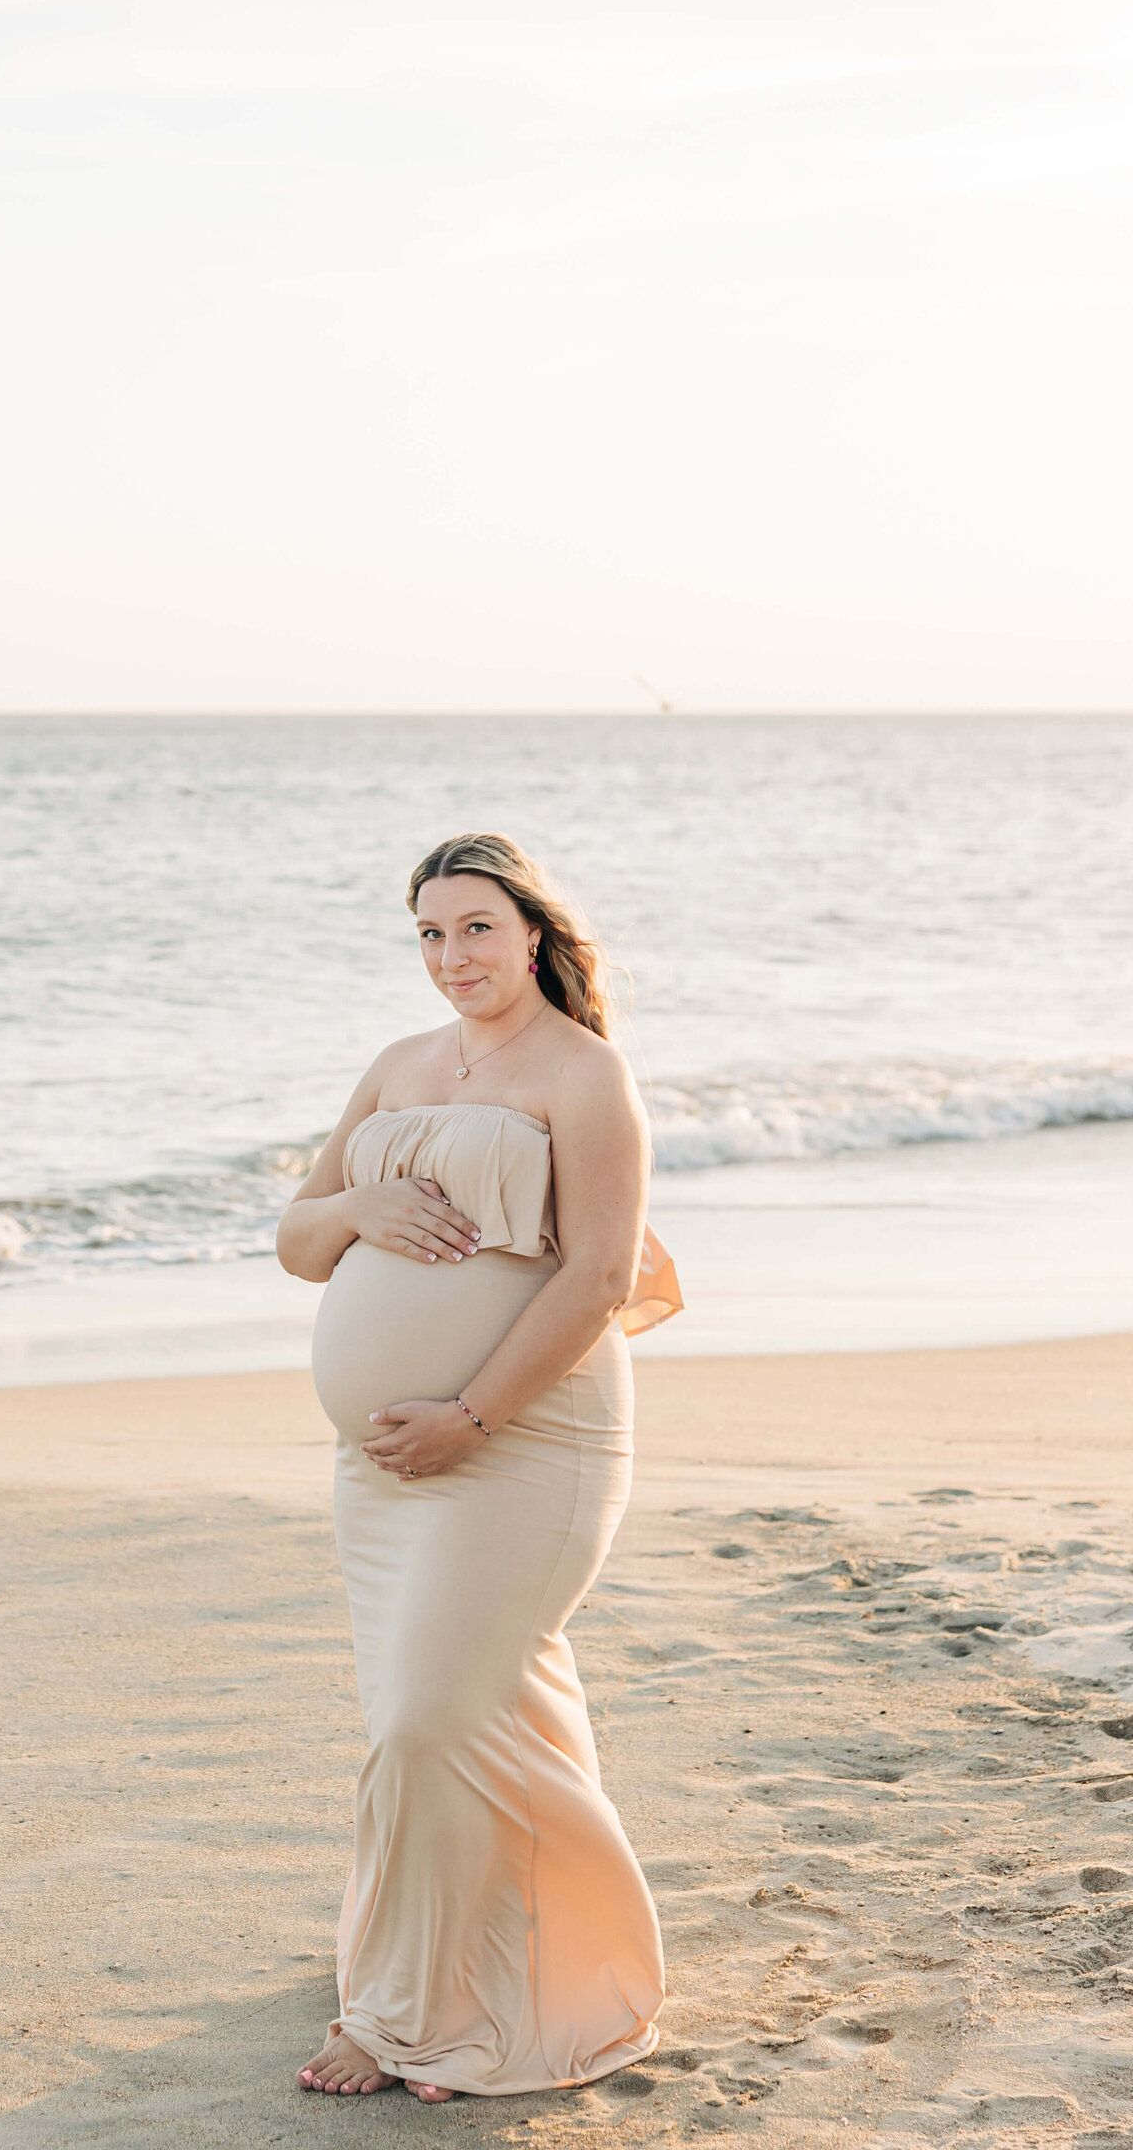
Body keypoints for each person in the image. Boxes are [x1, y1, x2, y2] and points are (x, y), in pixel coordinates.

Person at [277, 832, 682, 2103]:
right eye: (430, 935)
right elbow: (295, 1237)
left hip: (528, 1441)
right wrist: (361, 1210)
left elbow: (599, 1277)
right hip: (385, 1471)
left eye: (475, 930)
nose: (452, 958)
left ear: (534, 936)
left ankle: (403, 2018)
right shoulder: (398, 1067)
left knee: (427, 1719)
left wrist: (470, 1413)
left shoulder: (585, 1074)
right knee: (467, 1714)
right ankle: (493, 1963)